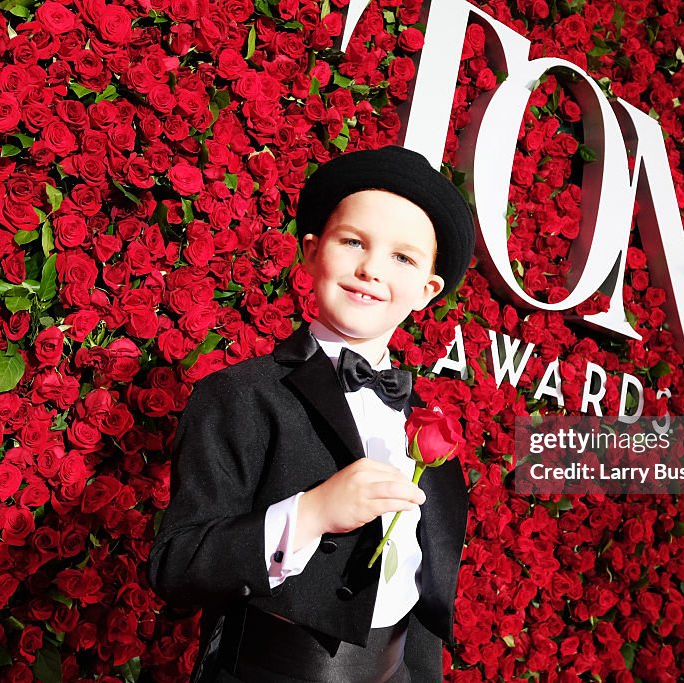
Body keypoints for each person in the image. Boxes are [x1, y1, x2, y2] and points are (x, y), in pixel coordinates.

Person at [147, 145, 476, 682]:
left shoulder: (426, 421)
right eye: (352, 242)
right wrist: (312, 513)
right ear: (310, 253)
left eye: (403, 257)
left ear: (426, 291)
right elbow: (176, 566)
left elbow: (423, 589)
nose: (370, 268)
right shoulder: (239, 394)